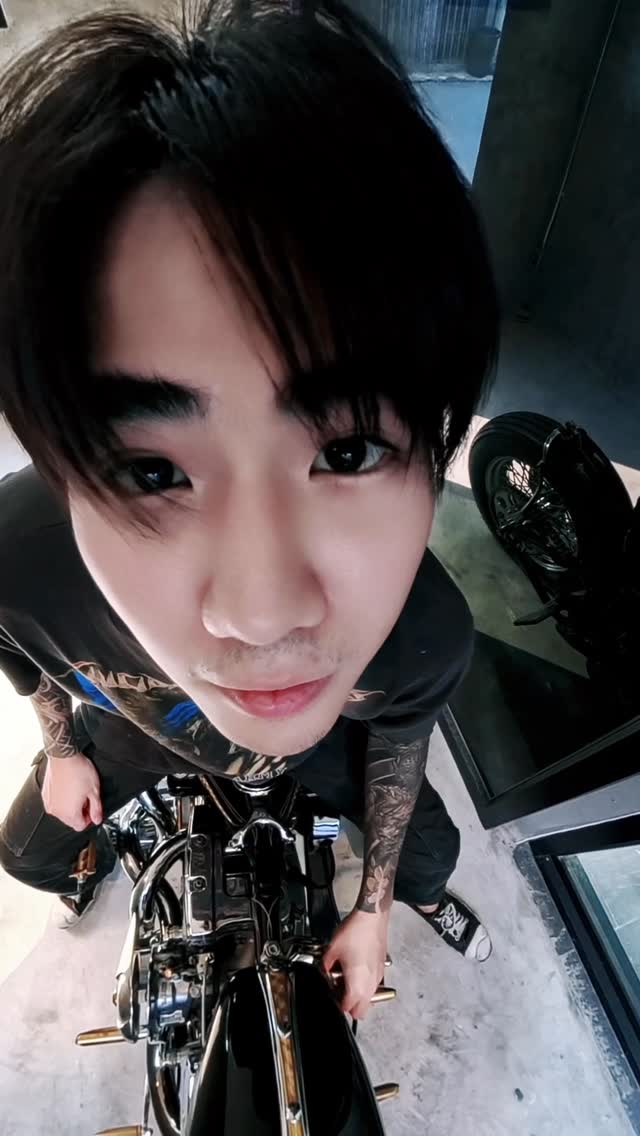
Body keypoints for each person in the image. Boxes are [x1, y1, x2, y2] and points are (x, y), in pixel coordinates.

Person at [0, 0, 498, 1022]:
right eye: (150, 472)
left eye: (347, 451)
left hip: (335, 747)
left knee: (424, 861)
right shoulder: (18, 557)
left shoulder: (423, 634)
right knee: (30, 854)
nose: (263, 615)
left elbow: (398, 745)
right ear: (57, 467)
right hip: (143, 727)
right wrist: (63, 747)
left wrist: (373, 908)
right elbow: (24, 651)